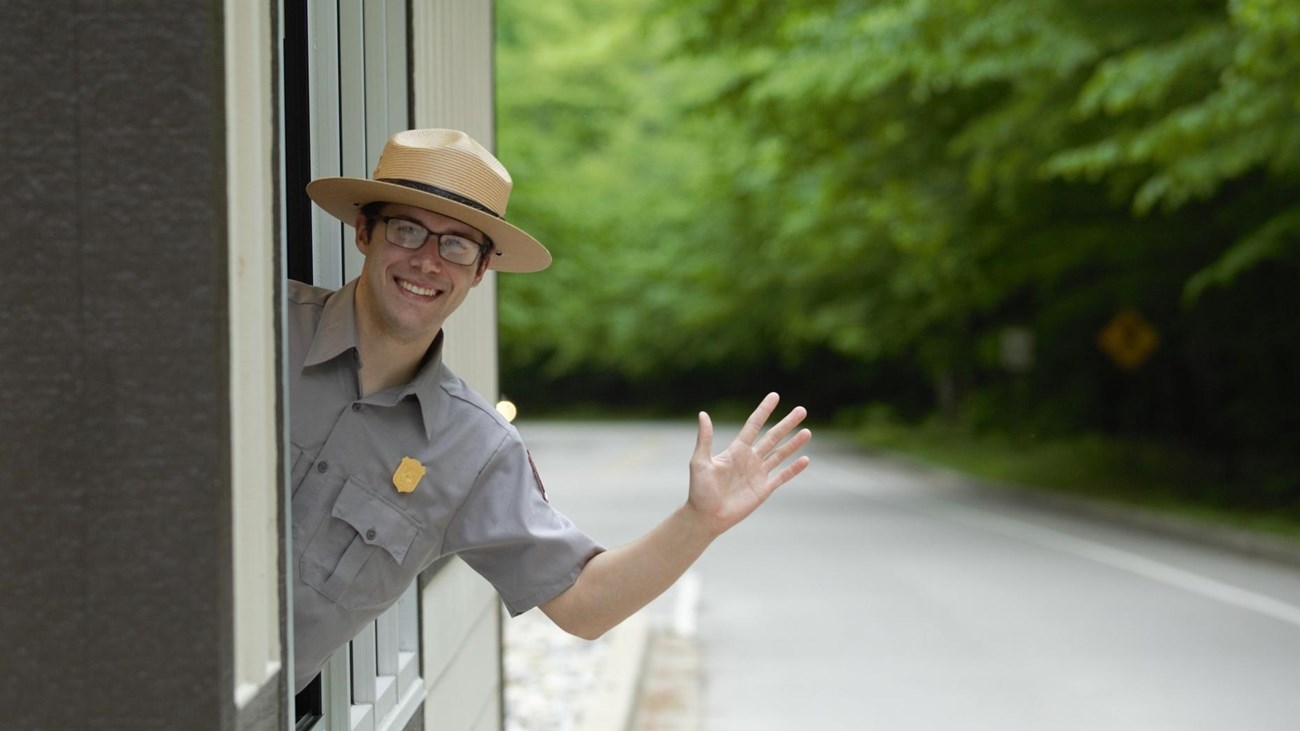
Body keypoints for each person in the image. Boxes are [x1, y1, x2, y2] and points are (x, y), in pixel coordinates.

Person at [289, 128, 812, 692]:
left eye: (457, 244)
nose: (427, 261)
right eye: (408, 229)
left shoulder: (473, 451)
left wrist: (698, 523)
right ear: (366, 231)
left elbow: (584, 605)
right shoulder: (251, 323)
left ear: (480, 269)